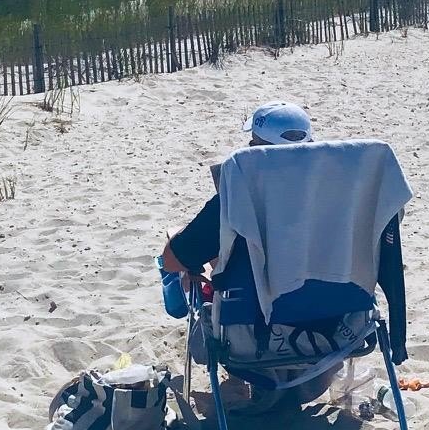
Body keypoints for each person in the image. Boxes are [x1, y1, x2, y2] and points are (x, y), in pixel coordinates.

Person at [160, 103, 407, 368]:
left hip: (254, 339)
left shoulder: (236, 197)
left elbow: (172, 261)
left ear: (254, 149)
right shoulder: (351, 201)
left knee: (198, 250)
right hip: (344, 329)